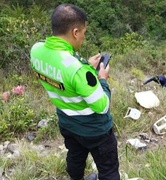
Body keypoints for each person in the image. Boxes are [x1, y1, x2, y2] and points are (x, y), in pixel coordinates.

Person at [30, 4, 119, 180]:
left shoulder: (36, 50)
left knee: (75, 157)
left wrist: (84, 65)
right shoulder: (79, 71)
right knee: (108, 170)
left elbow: (62, 72)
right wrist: (102, 79)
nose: (83, 38)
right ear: (75, 32)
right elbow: (102, 106)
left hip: (67, 123)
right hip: (94, 130)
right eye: (84, 33)